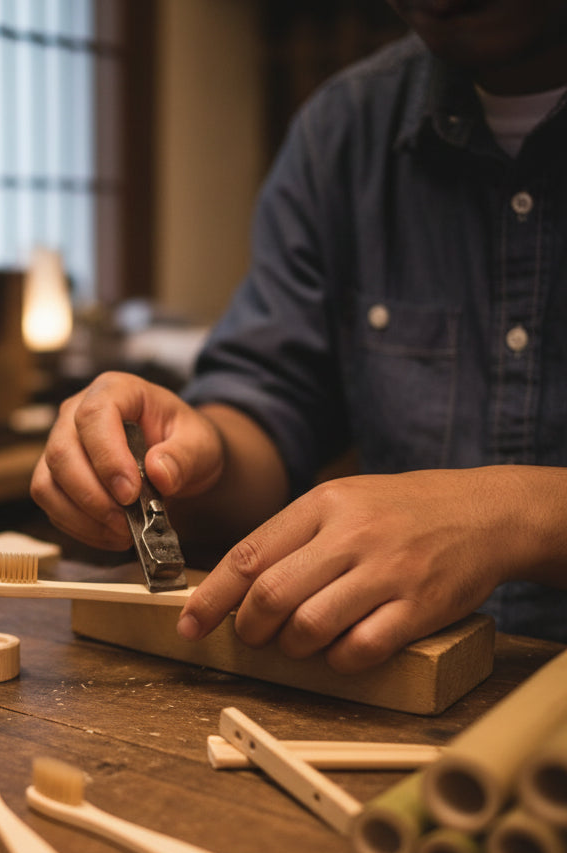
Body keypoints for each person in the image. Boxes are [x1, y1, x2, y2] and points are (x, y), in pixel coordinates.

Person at [30, 0, 567, 674]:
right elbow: (272, 409)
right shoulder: (342, 128)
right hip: (391, 693)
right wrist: (201, 452)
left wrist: (515, 516)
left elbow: (507, 515)